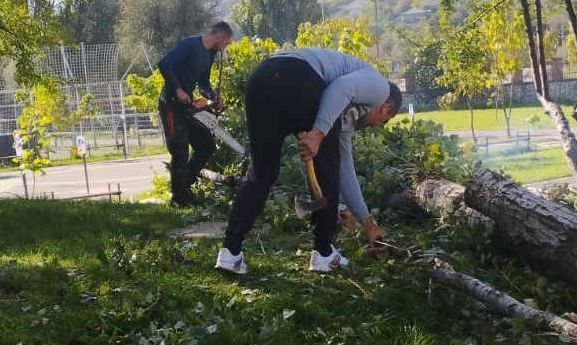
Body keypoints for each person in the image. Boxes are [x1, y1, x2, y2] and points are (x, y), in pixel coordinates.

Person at [215, 47, 402, 275]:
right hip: (296, 75)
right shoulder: (381, 87)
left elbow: (345, 170)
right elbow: (340, 88)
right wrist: (318, 133)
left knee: (263, 172)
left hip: (262, 78)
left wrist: (368, 224)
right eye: (382, 121)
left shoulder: (343, 115)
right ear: (386, 108)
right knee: (327, 171)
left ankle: (230, 251)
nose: (374, 126)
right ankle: (323, 252)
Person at [157, 21, 233, 206]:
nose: (226, 47)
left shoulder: (210, 54)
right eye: (226, 42)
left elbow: (203, 83)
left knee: (206, 145)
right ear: (220, 37)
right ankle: (179, 200)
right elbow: (164, 64)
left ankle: (183, 186)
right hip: (170, 104)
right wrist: (178, 90)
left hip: (187, 107)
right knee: (180, 150)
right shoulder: (190, 45)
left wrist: (212, 96)